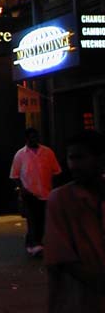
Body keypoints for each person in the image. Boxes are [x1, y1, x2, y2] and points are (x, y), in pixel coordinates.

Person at [44, 130, 105, 312]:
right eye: (71, 158)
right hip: (75, 299)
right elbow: (60, 255)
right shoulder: (61, 199)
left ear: (100, 159)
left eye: (80, 158)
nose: (74, 165)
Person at [10, 127, 62, 256]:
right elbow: (15, 175)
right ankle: (35, 244)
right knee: (33, 218)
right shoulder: (20, 155)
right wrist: (22, 190)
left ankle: (35, 242)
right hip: (30, 193)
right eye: (32, 137)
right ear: (26, 139)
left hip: (46, 191)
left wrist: (54, 189)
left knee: (42, 219)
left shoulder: (47, 152)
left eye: (36, 137)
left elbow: (56, 171)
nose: (34, 139)